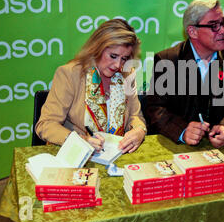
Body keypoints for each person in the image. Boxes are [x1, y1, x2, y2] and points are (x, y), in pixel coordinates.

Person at [144, 0, 224, 148]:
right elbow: (155, 109)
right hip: (176, 149)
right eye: (214, 26)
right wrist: (182, 131)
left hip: (218, 151)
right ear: (192, 31)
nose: (223, 30)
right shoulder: (167, 61)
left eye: (223, 23)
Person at [36, 19, 147, 154]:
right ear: (98, 48)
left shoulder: (127, 74)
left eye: (124, 58)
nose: (118, 65)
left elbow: (136, 116)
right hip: (76, 156)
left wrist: (140, 131)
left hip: (115, 155)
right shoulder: (70, 74)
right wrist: (80, 140)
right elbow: (46, 124)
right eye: (113, 56)